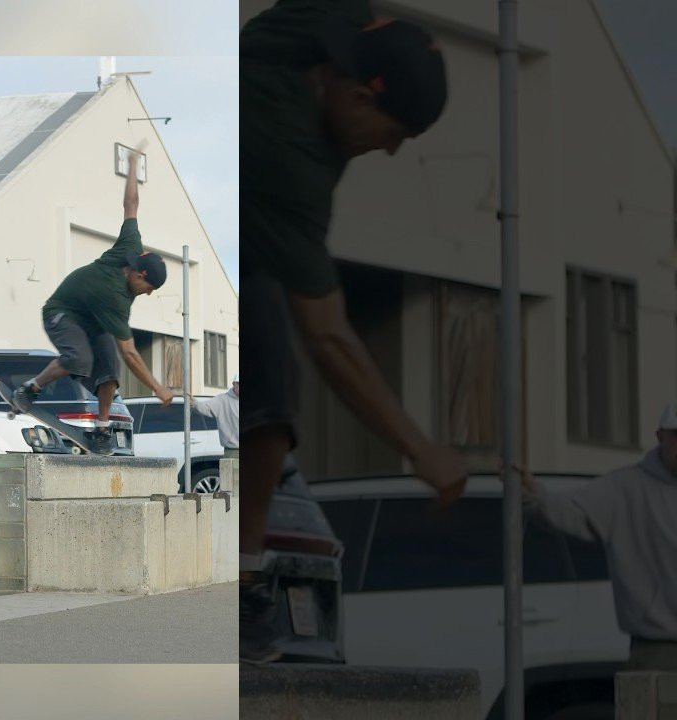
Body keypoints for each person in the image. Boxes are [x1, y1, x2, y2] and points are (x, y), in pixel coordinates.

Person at [242, 0, 468, 663]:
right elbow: (331, 336)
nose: (391, 150)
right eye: (392, 131)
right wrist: (421, 450)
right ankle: (241, 581)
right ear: (359, 91)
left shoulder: (334, 30)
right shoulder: (291, 162)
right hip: (206, 219)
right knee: (273, 378)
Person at [13, 140, 175, 454]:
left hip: (93, 322)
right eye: (149, 289)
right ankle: (31, 388)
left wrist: (131, 167)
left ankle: (102, 429)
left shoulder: (131, 242)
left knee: (110, 371)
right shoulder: (114, 295)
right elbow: (132, 353)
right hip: (62, 313)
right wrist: (158, 388)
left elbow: (130, 204)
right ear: (139, 274)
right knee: (81, 359)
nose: (148, 294)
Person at [518, 403, 677, 671]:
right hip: (659, 651)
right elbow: (569, 511)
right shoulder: (625, 488)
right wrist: (533, 493)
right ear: (660, 436)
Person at [187, 374, 239, 459]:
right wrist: (194, 403)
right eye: (239, 383)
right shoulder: (222, 400)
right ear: (233, 384)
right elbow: (205, 407)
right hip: (233, 452)